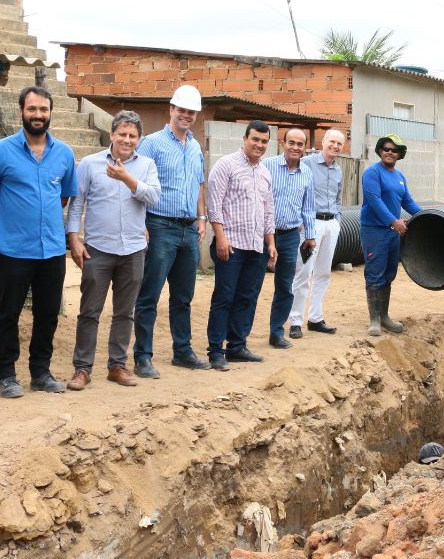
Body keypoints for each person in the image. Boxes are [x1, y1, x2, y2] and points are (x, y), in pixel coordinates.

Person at [0, 86, 77, 399]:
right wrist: (9, 222)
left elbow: (64, 196)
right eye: (32, 109)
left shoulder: (64, 154)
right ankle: (6, 375)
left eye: (43, 110)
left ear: (50, 113)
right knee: (9, 314)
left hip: (52, 250)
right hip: (14, 250)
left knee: (47, 314)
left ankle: (41, 373)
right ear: (21, 111)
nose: (38, 115)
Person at [64, 111, 160, 390]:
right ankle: (82, 369)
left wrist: (126, 178)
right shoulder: (90, 164)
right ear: (112, 134)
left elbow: (153, 196)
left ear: (139, 140)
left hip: (133, 249)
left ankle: (117, 366)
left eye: (133, 136)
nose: (127, 140)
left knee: (125, 312)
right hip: (98, 249)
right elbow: (77, 204)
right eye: (122, 134)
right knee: (89, 311)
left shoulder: (147, 166)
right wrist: (74, 239)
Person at [132, 85, 208, 378]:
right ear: (171, 110)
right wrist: (142, 224)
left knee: (183, 297)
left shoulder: (195, 146)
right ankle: (143, 356)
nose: (186, 116)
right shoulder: (151, 144)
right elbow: (137, 185)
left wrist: (202, 217)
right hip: (159, 225)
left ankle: (182, 351)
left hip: (189, 230)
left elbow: (198, 184)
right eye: (182, 110)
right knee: (149, 295)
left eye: (191, 112)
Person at [206, 120, 278, 370]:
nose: (259, 145)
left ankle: (236, 346)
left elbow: (269, 211)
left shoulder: (265, 172)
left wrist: (271, 243)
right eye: (255, 139)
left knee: (247, 297)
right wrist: (221, 238)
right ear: (245, 138)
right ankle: (215, 350)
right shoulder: (226, 165)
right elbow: (214, 205)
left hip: (256, 246)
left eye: (264, 141)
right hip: (231, 245)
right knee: (224, 297)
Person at [360, 134, 422, 337]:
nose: (389, 152)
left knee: (388, 274)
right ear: (380, 151)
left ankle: (385, 316)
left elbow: (408, 202)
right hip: (375, 231)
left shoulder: (399, 177)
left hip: (392, 233)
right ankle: (374, 320)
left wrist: (426, 217)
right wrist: (393, 221)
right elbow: (375, 200)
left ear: (399, 154)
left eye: (394, 150)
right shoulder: (372, 173)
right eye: (386, 148)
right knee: (375, 273)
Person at [288, 129, 346, 338]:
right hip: (311, 225)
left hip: (331, 224)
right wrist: (301, 221)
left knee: (324, 272)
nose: (335, 146)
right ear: (323, 142)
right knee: (304, 272)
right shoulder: (308, 164)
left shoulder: (338, 170)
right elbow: (296, 190)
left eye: (339, 143)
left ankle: (315, 318)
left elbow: (338, 198)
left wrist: (337, 221)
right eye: (332, 141)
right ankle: (295, 320)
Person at [263, 128, 316, 349]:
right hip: (264, 235)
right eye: (291, 143)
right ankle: (239, 338)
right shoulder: (267, 166)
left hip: (291, 235)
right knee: (252, 285)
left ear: (305, 148)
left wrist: (310, 236)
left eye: (300, 144)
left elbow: (309, 207)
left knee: (285, 286)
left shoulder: (307, 173)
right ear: (283, 143)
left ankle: (276, 333)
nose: (295, 147)